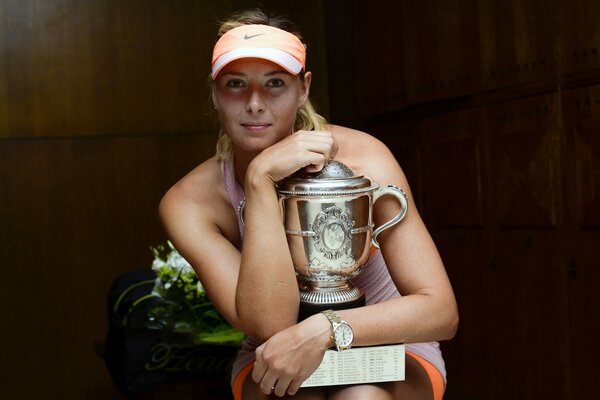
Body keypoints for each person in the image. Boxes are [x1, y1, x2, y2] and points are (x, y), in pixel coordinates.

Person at [159, 9, 458, 400]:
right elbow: (270, 324)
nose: (254, 103)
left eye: (275, 83)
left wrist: (324, 328)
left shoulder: (365, 159)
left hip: (388, 343)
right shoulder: (190, 202)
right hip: (276, 352)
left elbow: (440, 312)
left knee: (361, 396)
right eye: (235, 84)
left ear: (303, 89)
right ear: (214, 93)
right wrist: (260, 180)